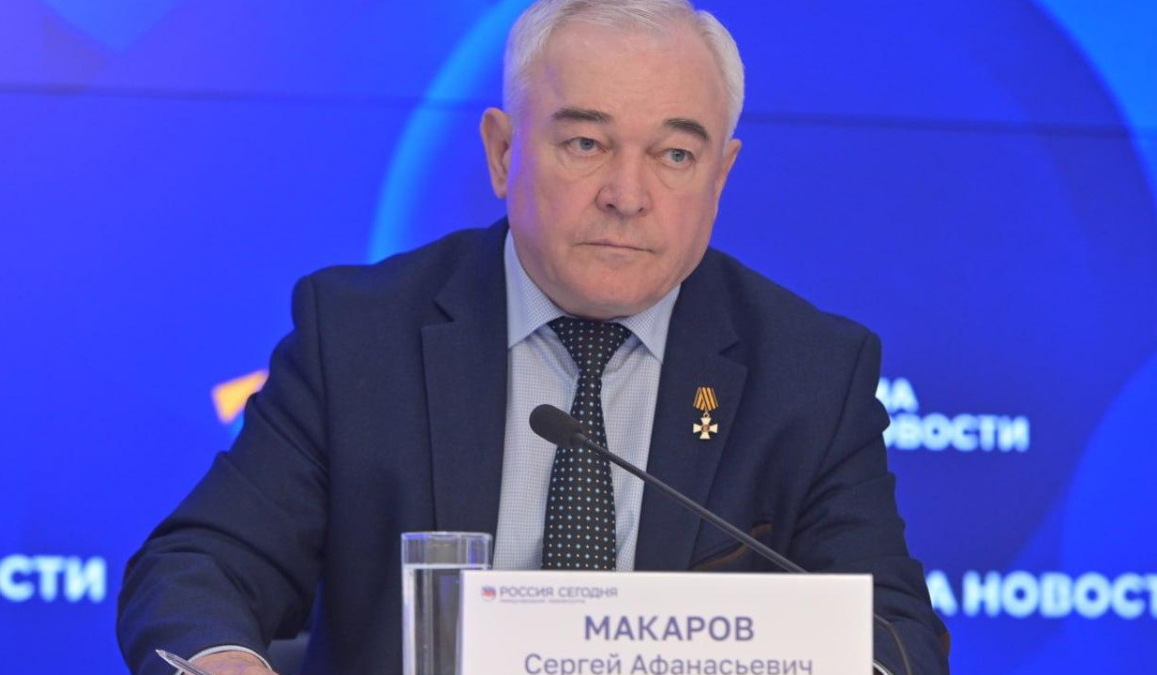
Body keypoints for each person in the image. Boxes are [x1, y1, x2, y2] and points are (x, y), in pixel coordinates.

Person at [117, 1, 949, 673]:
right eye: (586, 143)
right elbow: (201, 565)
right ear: (502, 151)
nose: (628, 193)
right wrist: (223, 661)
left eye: (674, 155)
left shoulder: (809, 373)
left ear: (721, 175)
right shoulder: (360, 335)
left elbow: (895, 632)